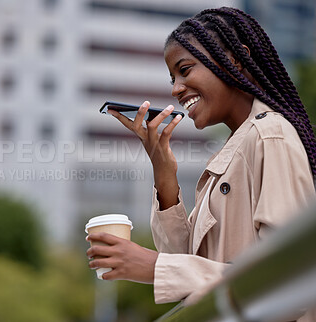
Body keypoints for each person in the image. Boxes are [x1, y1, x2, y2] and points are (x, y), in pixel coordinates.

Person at [86, 7, 316, 321]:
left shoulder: (269, 136)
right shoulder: (237, 147)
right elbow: (188, 264)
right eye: (173, 77)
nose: (176, 88)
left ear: (236, 59)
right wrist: (163, 172)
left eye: (185, 69)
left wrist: (155, 267)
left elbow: (288, 278)